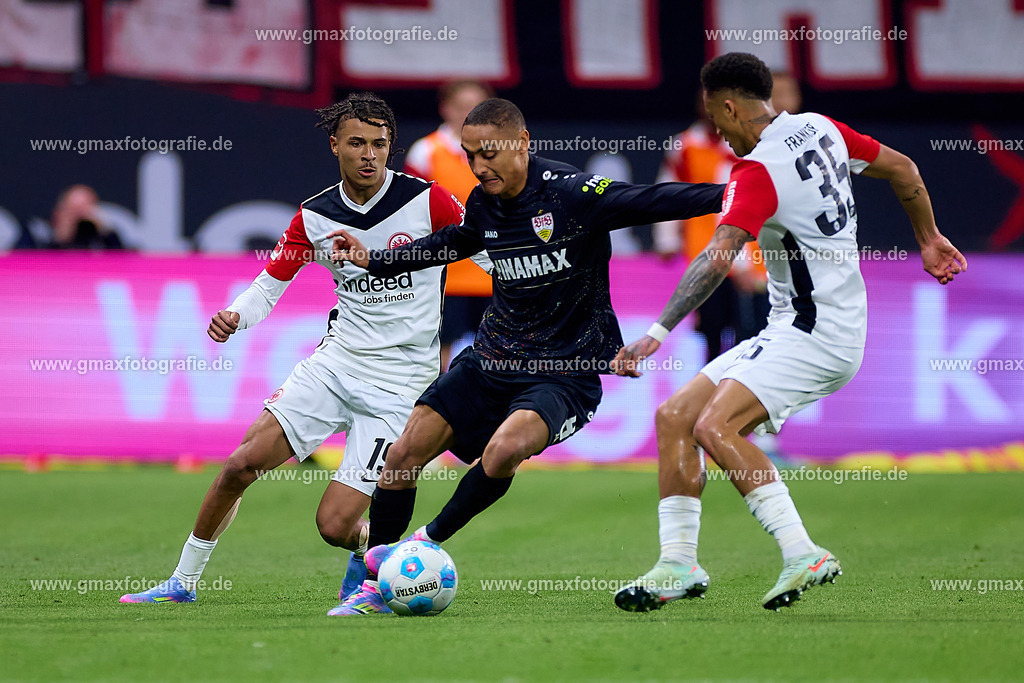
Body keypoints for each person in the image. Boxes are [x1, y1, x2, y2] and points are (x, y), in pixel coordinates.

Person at [327, 97, 725, 615]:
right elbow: (453, 243)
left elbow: (655, 199)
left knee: (503, 450)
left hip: (564, 373)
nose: (479, 166)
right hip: (492, 360)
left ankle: (422, 542)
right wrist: (375, 259)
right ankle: (368, 578)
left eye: (489, 153)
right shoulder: (483, 202)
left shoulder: (573, 194)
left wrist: (736, 194)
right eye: (471, 155)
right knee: (402, 456)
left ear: (523, 143)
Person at [611, 53, 966, 612]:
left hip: (814, 333)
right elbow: (905, 170)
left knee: (713, 425)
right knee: (674, 418)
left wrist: (656, 332)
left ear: (729, 106)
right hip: (803, 323)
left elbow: (718, 255)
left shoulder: (757, 171)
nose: (720, 135)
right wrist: (928, 238)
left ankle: (802, 551)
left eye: (717, 120)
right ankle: (677, 565)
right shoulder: (821, 128)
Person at [119, 92, 487, 616]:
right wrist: (235, 316)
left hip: (402, 384)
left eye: (380, 144)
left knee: (334, 526)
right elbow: (270, 284)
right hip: (335, 365)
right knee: (239, 466)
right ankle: (182, 580)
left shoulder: (429, 201)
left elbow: (490, 253)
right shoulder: (314, 215)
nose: (369, 154)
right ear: (334, 145)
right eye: (357, 143)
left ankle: (371, 552)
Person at [404, 80, 495, 370]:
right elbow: (410, 213)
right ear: (446, 109)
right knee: (436, 356)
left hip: (495, 275)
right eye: (462, 107)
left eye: (478, 108)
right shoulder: (425, 152)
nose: (470, 115)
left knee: (498, 355)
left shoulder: (504, 152)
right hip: (445, 277)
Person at [49, 185, 124, 249]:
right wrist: (61, 238)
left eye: (84, 209)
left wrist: (104, 231)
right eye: (74, 209)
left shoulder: (104, 235)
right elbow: (44, 261)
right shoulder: (48, 236)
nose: (80, 216)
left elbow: (120, 259)